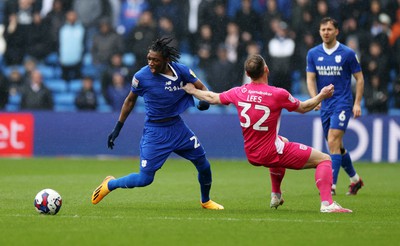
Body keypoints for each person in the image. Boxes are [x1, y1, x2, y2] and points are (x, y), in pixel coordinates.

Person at [182, 54, 352, 213]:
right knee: (324, 159)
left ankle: (276, 196)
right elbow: (304, 107)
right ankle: (327, 204)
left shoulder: (238, 92)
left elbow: (212, 97)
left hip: (251, 153)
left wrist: (193, 91)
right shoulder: (278, 94)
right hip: (270, 152)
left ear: (247, 74)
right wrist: (321, 95)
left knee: (282, 140)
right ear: (266, 69)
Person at [91, 37, 223, 210]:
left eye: (155, 60)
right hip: (156, 131)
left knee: (204, 165)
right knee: (144, 179)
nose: (151, 63)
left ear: (166, 60)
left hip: (178, 128)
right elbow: (129, 101)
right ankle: (110, 184)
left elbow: (201, 87)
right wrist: (118, 128)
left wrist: (203, 101)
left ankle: (205, 201)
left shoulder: (181, 71)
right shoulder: (141, 77)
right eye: (149, 59)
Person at [306, 17, 364, 196]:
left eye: (329, 29)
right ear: (319, 31)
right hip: (326, 105)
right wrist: (316, 98)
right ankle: (355, 180)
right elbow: (310, 78)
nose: (326, 32)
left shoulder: (347, 53)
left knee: (332, 140)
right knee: (336, 145)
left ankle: (331, 185)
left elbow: (360, 78)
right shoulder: (313, 53)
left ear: (336, 31)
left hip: (343, 103)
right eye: (323, 29)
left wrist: (357, 103)